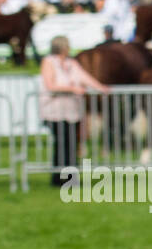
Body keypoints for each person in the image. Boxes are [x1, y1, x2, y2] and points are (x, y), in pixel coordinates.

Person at [39, 36, 110, 187]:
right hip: (54, 111)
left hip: (72, 111)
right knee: (61, 143)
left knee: (71, 143)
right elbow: (50, 85)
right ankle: (59, 177)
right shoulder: (49, 62)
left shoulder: (71, 63)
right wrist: (72, 89)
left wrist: (100, 88)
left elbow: (85, 78)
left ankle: (70, 178)